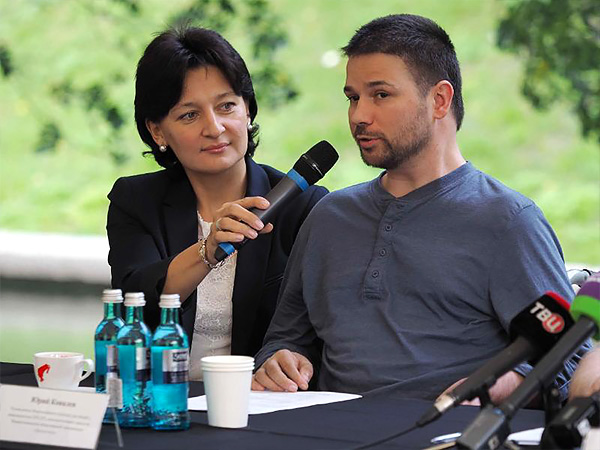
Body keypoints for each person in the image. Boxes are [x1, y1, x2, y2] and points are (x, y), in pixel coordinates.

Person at [252, 14, 587, 402]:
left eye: (381, 95)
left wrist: (498, 386)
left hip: (450, 428)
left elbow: (570, 356)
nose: (359, 115)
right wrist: (280, 360)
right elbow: (285, 338)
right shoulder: (329, 216)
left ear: (439, 100)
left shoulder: (507, 222)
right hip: (322, 426)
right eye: (353, 98)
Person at [107, 27, 327, 380]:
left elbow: (317, 328)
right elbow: (135, 303)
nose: (215, 128)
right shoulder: (136, 200)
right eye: (189, 115)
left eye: (227, 106)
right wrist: (207, 250)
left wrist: (291, 357)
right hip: (161, 398)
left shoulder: (302, 205)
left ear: (248, 111)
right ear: (157, 131)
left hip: (256, 399)